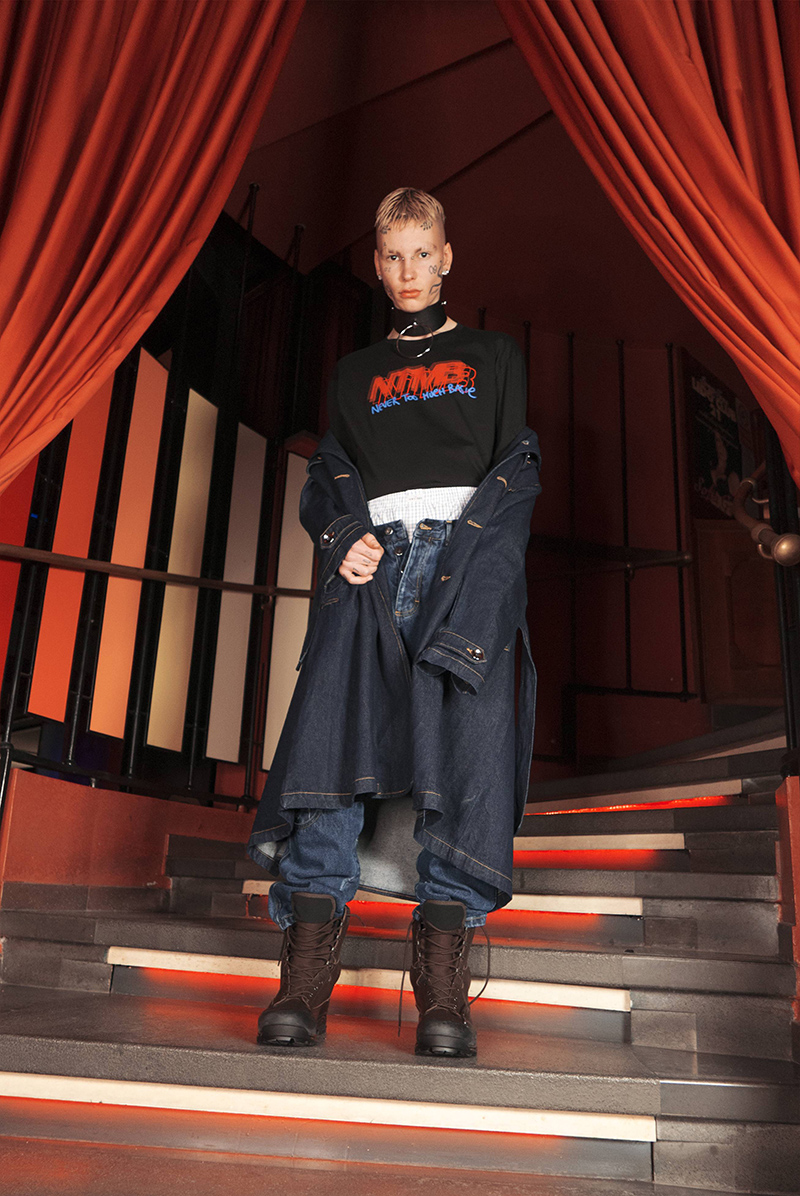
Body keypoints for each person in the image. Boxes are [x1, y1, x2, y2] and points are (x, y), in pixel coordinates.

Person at [248, 187, 542, 1058]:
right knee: (330, 753)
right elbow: (325, 479)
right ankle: (304, 984)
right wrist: (341, 537)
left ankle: (442, 995)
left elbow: (515, 475)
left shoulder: (493, 355)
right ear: (377, 265)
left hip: (465, 569)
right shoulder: (354, 373)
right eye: (392, 255)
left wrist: (483, 592)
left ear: (446, 257)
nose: (409, 270)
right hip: (374, 574)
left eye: (423, 252)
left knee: (467, 756)